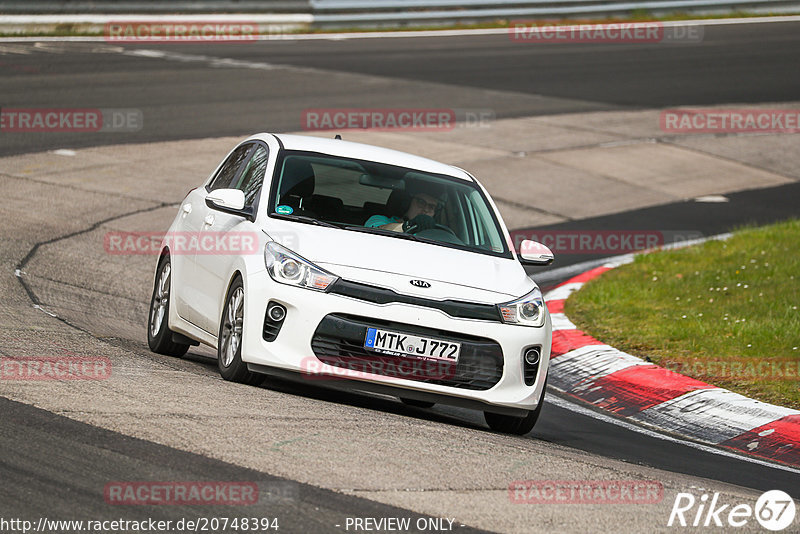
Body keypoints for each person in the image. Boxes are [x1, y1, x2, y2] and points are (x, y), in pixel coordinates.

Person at [365, 191, 441, 233]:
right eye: (421, 202)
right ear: (407, 204)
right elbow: (378, 231)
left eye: (431, 207)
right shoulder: (379, 219)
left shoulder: (435, 234)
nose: (426, 209)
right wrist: (409, 225)